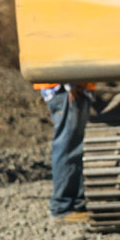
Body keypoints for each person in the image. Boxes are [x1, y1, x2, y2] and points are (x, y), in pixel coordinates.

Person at [34, 82, 92, 222]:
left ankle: (76, 203)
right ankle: (62, 206)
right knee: (68, 146)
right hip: (66, 90)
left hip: (71, 89)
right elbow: (64, 60)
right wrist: (70, 85)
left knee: (74, 146)